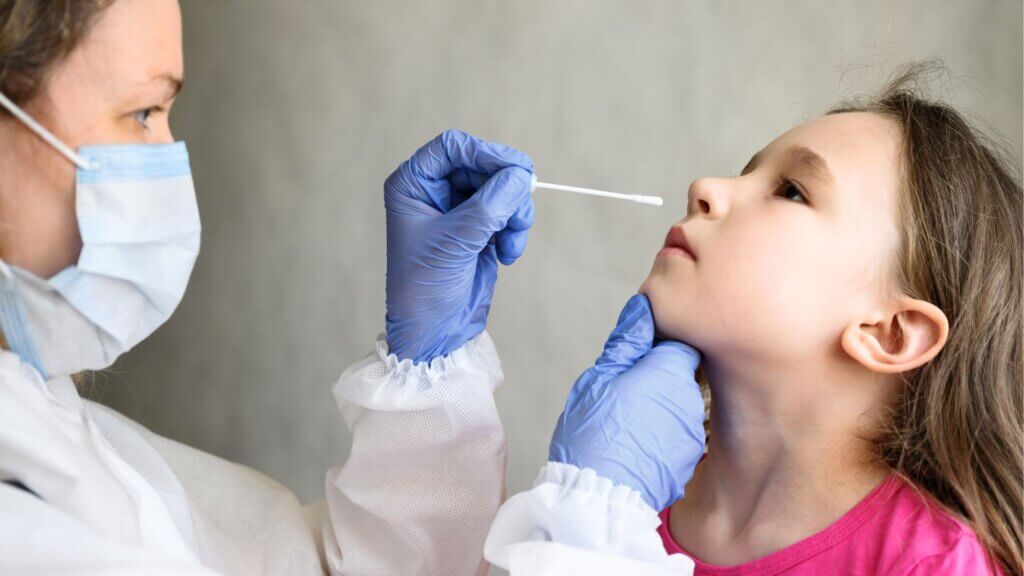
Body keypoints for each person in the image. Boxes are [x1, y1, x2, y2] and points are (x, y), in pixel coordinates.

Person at [0, 1, 537, 574]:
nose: (171, 162)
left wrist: (430, 364)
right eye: (142, 112)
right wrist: (598, 518)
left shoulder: (45, 426)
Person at [485, 63, 1022, 576]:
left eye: (791, 190)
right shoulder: (618, 498)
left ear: (889, 334)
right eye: (750, 172)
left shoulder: (932, 563)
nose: (704, 187)